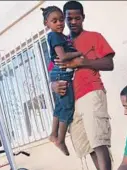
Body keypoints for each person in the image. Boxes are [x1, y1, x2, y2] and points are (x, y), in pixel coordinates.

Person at [50, 1, 115, 170]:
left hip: (92, 92)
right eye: (69, 18)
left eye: (77, 18)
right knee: (88, 146)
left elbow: (109, 64)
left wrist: (82, 62)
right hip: (71, 101)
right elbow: (53, 71)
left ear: (83, 17)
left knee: (99, 141)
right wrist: (52, 86)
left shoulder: (94, 37)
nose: (73, 22)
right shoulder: (61, 41)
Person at [42, 6, 82, 155]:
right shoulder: (55, 36)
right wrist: (79, 53)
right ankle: (60, 139)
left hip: (59, 74)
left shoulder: (61, 36)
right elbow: (63, 57)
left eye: (61, 20)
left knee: (59, 106)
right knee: (67, 107)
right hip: (62, 74)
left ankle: (53, 134)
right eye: (54, 21)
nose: (59, 23)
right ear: (47, 23)